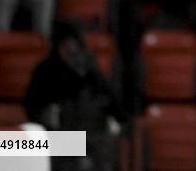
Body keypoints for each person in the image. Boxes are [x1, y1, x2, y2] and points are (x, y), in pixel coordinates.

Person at [24, 21, 125, 171]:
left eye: (73, 46)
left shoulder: (89, 69)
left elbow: (111, 101)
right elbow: (32, 106)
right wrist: (45, 115)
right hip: (58, 137)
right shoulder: (45, 71)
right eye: (64, 46)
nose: (69, 50)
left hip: (89, 136)